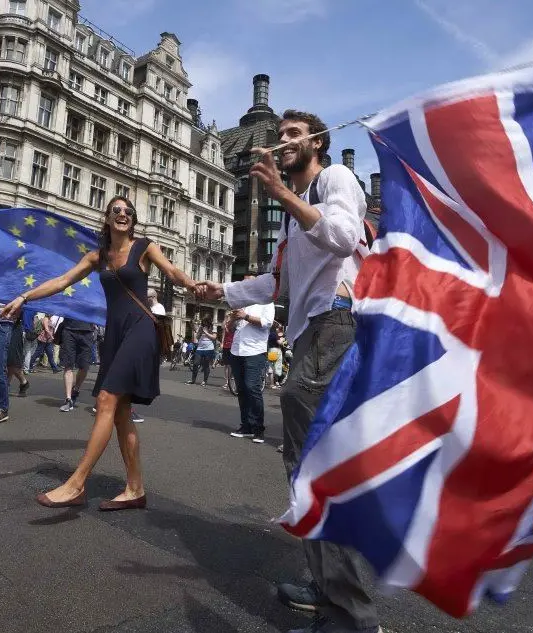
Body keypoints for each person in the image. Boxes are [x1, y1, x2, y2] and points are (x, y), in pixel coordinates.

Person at [196, 110, 376, 633]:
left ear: (318, 143)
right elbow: (275, 285)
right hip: (310, 337)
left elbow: (343, 236)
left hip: (333, 326)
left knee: (318, 474)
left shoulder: (334, 180)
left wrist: (280, 195)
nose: (284, 141)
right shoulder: (293, 220)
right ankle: (326, 590)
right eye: (280, 136)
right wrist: (220, 291)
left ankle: (350, 616)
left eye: (294, 134)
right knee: (305, 471)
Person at [2, 196, 199, 509]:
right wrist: (24, 296)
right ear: (107, 218)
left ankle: (77, 483)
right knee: (120, 414)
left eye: (128, 211)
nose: (123, 214)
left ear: (133, 219)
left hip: (140, 329)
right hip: (114, 335)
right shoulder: (98, 256)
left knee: (106, 399)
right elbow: (62, 280)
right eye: (116, 210)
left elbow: (172, 271)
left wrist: (192, 284)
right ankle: (135, 489)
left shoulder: (144, 246)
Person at [227, 291, 275, 444]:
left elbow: (267, 323)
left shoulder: (266, 301)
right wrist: (231, 319)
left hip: (255, 350)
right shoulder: (241, 302)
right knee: (241, 389)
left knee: (252, 387)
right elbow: (231, 328)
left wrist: (245, 316)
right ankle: (246, 425)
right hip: (236, 349)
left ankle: (258, 428)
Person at [58, 318, 95, 412]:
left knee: (84, 366)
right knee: (68, 365)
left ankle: (76, 389)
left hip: (87, 331)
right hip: (69, 330)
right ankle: (68, 399)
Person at [186, 318, 217, 386]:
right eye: (203, 322)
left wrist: (206, 332)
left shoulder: (213, 327)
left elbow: (214, 337)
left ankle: (204, 381)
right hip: (200, 348)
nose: (203, 323)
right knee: (195, 363)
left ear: (208, 322)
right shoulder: (201, 327)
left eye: (204, 322)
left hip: (209, 349)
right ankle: (193, 380)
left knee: (206, 365)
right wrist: (199, 332)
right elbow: (197, 337)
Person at [221, 315, 236, 389]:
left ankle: (231, 379)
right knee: (226, 365)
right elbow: (223, 334)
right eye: (227, 317)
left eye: (229, 317)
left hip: (233, 346)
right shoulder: (225, 325)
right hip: (226, 346)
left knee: (232, 364)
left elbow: (230, 330)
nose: (228, 318)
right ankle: (227, 382)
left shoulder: (233, 324)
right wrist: (222, 343)